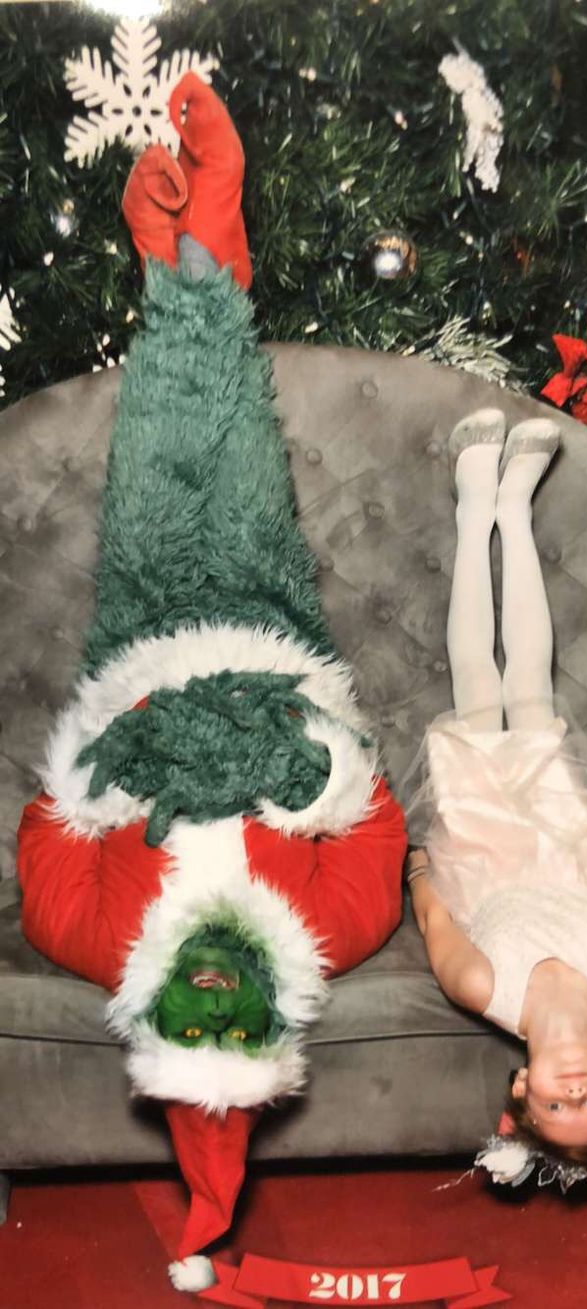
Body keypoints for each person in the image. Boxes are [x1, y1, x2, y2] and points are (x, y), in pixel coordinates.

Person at [16, 73, 406, 1293]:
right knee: (235, 457)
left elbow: (51, 823)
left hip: (139, 644)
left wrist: (127, 743)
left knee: (147, 464)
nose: (210, 993)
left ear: (160, 1016)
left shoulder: (96, 935)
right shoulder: (331, 935)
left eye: (189, 1022)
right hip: (264, 631)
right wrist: (299, 759)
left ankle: (164, 260)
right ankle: (202, 239)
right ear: (261, 1020)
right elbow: (374, 813)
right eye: (232, 1022)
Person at [407, 408, 587, 1173]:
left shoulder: (481, 985)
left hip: (485, 854)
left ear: (522, 1085)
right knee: (532, 692)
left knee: (478, 693)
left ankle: (472, 499)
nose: (576, 1090)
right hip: (564, 847)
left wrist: (426, 867)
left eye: (556, 1105)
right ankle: (514, 507)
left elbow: (433, 917)